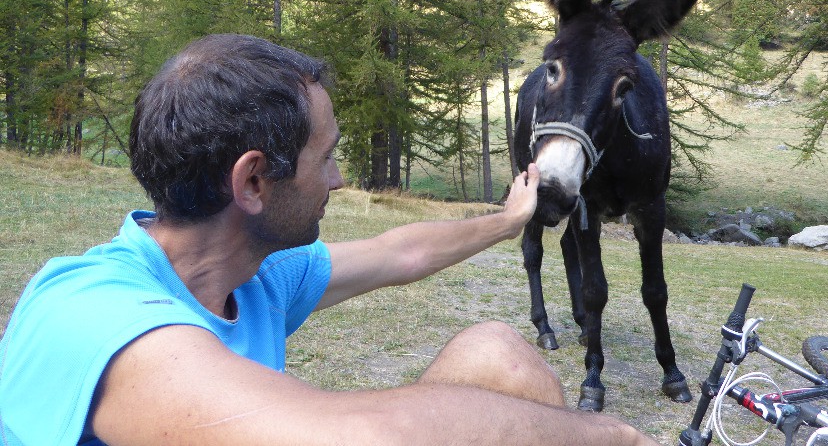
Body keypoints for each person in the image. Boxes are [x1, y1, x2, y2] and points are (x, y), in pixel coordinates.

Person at [0, 34, 659, 446]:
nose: (340, 179)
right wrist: (610, 435)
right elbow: (362, 434)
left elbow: (402, 252)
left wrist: (509, 219)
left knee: (492, 349)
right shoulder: (94, 314)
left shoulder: (248, 276)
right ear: (253, 181)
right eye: (327, 157)